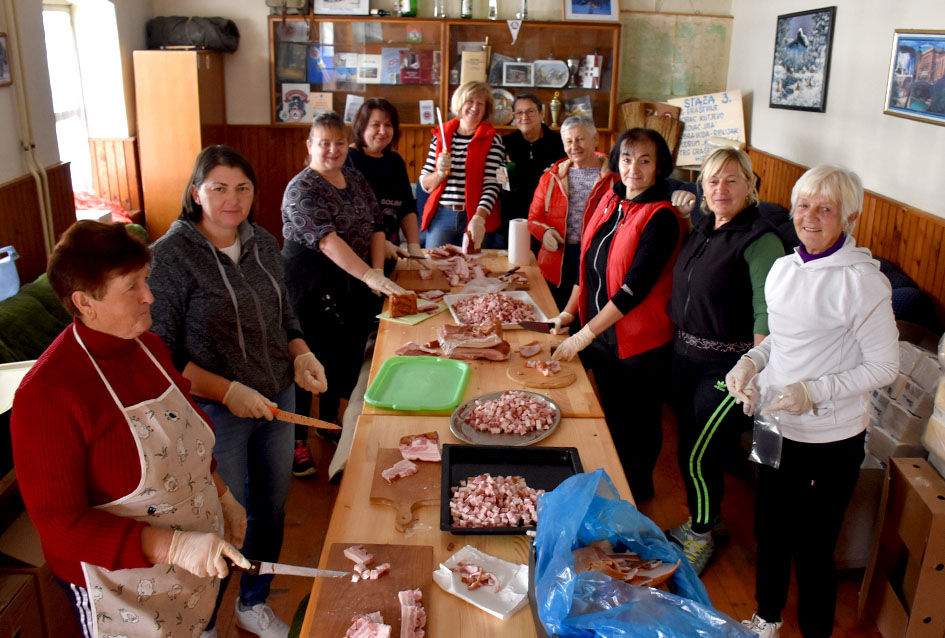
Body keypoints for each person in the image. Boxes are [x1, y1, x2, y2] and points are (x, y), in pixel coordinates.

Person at [12, 220, 251, 638]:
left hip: (194, 564)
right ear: (85, 302)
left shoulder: (150, 348)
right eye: (132, 287)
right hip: (122, 588)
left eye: (146, 280)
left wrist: (224, 496)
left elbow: (186, 440)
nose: (149, 296)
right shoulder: (49, 393)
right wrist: (173, 546)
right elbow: (59, 526)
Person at [149, 146, 327, 638]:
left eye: (243, 188)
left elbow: (285, 317)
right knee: (219, 518)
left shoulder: (264, 243)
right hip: (212, 412)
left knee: (270, 508)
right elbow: (159, 355)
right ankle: (205, 621)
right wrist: (225, 390)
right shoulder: (169, 257)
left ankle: (254, 601)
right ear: (196, 193)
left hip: (275, 398)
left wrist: (300, 353)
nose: (233, 199)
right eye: (219, 188)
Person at [726, 165, 898, 638]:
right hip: (774, 426)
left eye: (826, 208)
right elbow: (779, 344)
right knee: (769, 530)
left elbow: (885, 367)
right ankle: (767, 617)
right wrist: (750, 363)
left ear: (850, 216)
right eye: (803, 205)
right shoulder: (784, 268)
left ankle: (815, 631)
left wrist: (813, 391)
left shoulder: (862, 283)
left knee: (814, 545)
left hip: (830, 439)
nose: (810, 216)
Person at [665, 147, 786, 575]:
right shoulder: (704, 227)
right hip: (685, 358)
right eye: (713, 180)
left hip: (729, 370)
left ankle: (700, 538)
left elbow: (765, 311)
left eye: (732, 180)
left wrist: (755, 371)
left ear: (751, 186)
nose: (721, 188)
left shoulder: (761, 239)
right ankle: (711, 521)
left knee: (698, 454)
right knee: (693, 449)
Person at [551, 128, 685, 501]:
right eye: (627, 158)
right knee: (610, 420)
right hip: (602, 337)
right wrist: (567, 314)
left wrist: (584, 334)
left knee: (637, 430)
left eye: (645, 160)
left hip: (640, 346)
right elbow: (587, 266)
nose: (634, 168)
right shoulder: (611, 200)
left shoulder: (662, 217)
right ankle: (613, 491)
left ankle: (635, 501)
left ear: (659, 168)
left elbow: (632, 291)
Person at [282, 111, 405, 455]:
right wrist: (369, 274)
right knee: (309, 360)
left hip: (351, 280)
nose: (332, 150)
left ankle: (332, 423)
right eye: (324, 143)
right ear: (310, 145)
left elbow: (377, 226)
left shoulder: (355, 178)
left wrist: (376, 273)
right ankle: (297, 441)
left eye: (339, 142)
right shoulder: (301, 188)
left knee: (346, 355)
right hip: (309, 285)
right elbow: (326, 240)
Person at [527, 115, 616, 310]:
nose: (574, 146)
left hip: (597, 259)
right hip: (558, 258)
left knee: (588, 312)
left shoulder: (615, 179)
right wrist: (545, 232)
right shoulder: (550, 178)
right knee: (554, 311)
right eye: (568, 141)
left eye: (580, 139)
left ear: (595, 139)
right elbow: (534, 218)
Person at [418, 81, 506, 250]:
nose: (474, 107)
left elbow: (491, 185)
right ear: (460, 103)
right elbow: (425, 184)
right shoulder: (441, 136)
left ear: (486, 109)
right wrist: (440, 173)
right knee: (436, 268)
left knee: (475, 269)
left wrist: (479, 218)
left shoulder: (493, 139)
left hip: (477, 217)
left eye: (480, 103)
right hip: (442, 216)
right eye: (469, 101)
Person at [345, 98, 424, 268]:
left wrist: (414, 247)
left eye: (388, 125)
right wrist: (376, 242)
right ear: (362, 125)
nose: (382, 131)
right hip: (356, 257)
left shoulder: (395, 161)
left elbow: (407, 208)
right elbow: (346, 215)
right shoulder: (348, 159)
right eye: (375, 124)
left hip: (390, 254)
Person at [502, 93, 567, 247]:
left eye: (530, 111)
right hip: (514, 216)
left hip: (547, 218)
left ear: (541, 113)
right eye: (519, 112)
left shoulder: (559, 143)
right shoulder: (506, 143)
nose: (524, 116)